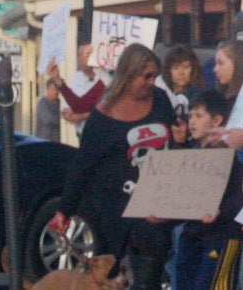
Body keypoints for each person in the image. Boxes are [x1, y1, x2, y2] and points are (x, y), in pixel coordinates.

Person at [52, 43, 175, 290]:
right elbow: (82, 165)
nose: (152, 82)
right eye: (146, 76)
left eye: (155, 76)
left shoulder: (160, 101)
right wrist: (64, 210)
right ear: (128, 75)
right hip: (114, 212)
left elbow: (176, 143)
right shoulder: (102, 115)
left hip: (155, 210)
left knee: (148, 280)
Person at [173, 90, 243, 290]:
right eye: (190, 116)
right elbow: (179, 192)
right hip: (193, 234)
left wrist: (221, 210)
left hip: (221, 235)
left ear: (216, 120)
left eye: (199, 116)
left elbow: (241, 195)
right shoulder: (192, 151)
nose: (192, 122)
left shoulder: (232, 154)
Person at [57, 42, 112, 139]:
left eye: (86, 54)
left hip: (102, 136)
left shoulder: (106, 78)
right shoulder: (75, 78)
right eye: (80, 54)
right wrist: (67, 112)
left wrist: (80, 116)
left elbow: (106, 110)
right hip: (82, 135)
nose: (82, 58)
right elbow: (74, 105)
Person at [158, 43, 201, 118]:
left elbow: (176, 106)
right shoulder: (161, 90)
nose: (181, 72)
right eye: (175, 67)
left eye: (186, 67)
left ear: (193, 68)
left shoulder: (197, 93)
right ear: (168, 70)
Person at [34, 75, 62, 141]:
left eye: (57, 89)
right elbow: (48, 119)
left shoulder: (60, 103)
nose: (56, 92)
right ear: (48, 90)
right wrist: (63, 119)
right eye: (54, 89)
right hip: (44, 141)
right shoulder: (43, 103)